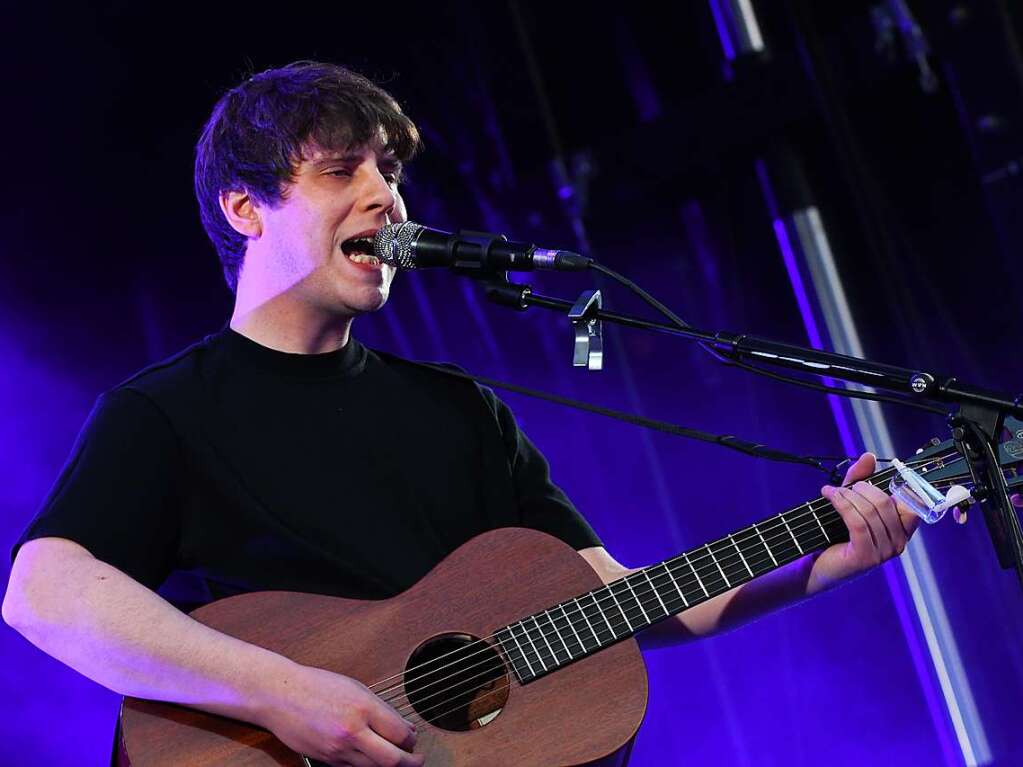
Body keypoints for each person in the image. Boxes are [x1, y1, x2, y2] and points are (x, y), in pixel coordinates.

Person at [2, 61, 918, 767]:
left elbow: (617, 602)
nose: (385, 194)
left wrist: (819, 559)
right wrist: (285, 694)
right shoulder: (165, 411)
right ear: (245, 208)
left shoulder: (458, 412)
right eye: (338, 170)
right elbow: (43, 592)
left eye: (389, 169)